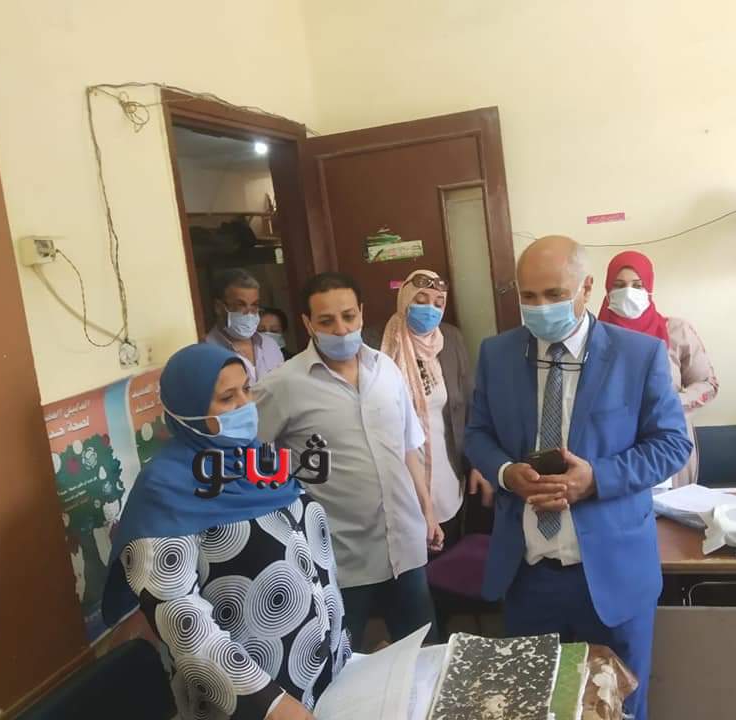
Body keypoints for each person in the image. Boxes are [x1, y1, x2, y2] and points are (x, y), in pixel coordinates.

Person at [464, 235, 692, 720]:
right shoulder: (498, 354)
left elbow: (673, 444)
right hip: (527, 577)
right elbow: (477, 434)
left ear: (587, 288)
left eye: (554, 294)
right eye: (528, 296)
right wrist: (505, 473)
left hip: (611, 578)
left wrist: (596, 479)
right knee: (533, 708)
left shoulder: (638, 355)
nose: (540, 307)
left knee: (616, 709)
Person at [102, 344, 347, 720]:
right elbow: (182, 620)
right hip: (259, 700)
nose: (245, 405)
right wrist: (269, 703)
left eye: (246, 389)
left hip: (327, 674)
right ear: (188, 411)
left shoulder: (259, 461)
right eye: (227, 397)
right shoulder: (165, 491)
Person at [254, 272, 441, 651]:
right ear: (308, 323)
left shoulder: (386, 369)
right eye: (326, 321)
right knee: (343, 665)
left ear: (361, 313)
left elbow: (409, 447)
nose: (341, 329)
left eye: (348, 316)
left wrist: (427, 510)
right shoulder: (283, 385)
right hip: (339, 559)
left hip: (405, 546)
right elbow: (251, 460)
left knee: (424, 655)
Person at [380, 269, 493, 544]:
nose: (429, 309)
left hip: (446, 468)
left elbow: (469, 405)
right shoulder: (378, 342)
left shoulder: (451, 339)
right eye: (420, 300)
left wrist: (477, 462)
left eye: (438, 302)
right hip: (398, 470)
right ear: (405, 298)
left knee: (449, 547)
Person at [598, 250, 719, 487]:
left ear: (650, 288)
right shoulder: (594, 336)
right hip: (612, 445)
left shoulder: (676, 331)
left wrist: (669, 403)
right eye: (619, 285)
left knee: (672, 506)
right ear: (607, 289)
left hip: (667, 439)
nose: (628, 293)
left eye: (637, 285)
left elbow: (708, 384)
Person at [205, 268, 284, 383]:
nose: (249, 313)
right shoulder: (207, 353)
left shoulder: (270, 345)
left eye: (254, 305)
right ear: (219, 307)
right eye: (241, 305)